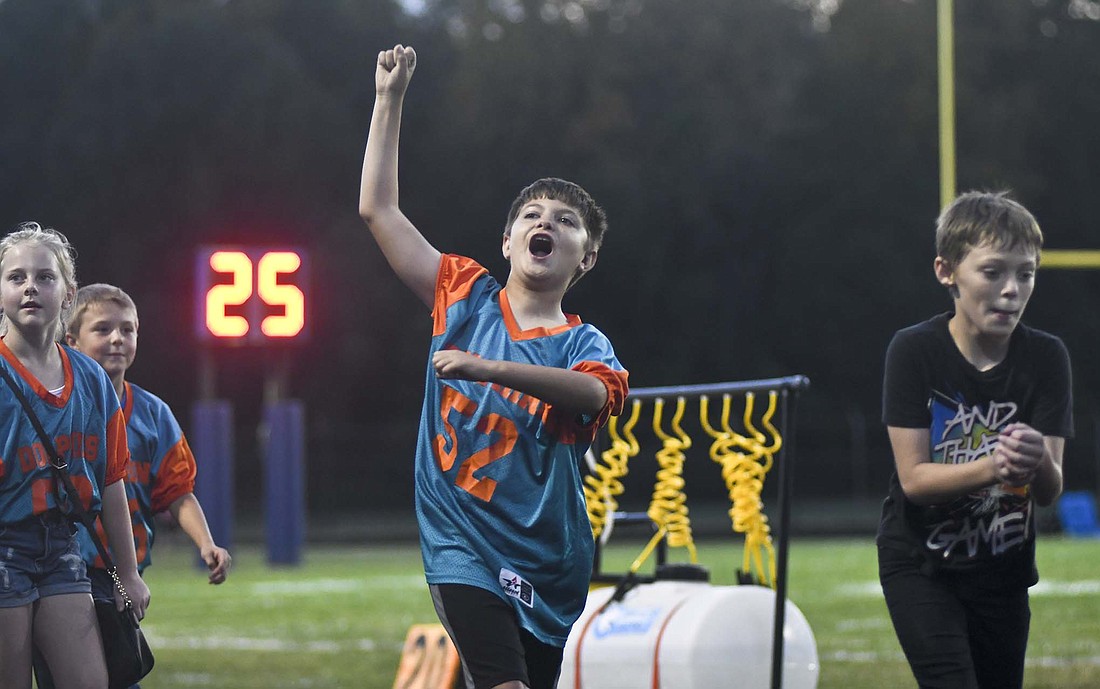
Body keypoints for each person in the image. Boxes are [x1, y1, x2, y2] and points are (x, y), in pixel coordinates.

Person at [359, 44, 629, 689]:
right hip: (460, 540)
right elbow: (379, 211)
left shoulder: (583, 342)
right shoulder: (463, 294)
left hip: (549, 556)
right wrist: (388, 101)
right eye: (532, 216)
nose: (547, 223)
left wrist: (488, 370)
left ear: (583, 259)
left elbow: (593, 395)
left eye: (565, 222)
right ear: (507, 240)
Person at [877, 191, 1074, 689]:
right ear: (946, 272)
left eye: (1025, 273)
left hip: (1002, 570)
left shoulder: (1047, 357)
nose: (1012, 289)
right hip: (923, 564)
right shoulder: (915, 350)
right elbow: (915, 480)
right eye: (992, 272)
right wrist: (994, 466)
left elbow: (1050, 491)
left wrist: (1037, 463)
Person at [32, 283, 234, 688]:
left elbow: (177, 490)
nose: (116, 339)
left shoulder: (153, 413)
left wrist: (206, 542)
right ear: (70, 339)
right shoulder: (52, 407)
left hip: (119, 573)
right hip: (57, 567)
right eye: (103, 329)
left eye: (127, 329)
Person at [0, 222, 150, 689]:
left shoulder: (91, 379)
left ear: (67, 294)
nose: (30, 286)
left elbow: (111, 480)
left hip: (63, 547)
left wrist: (127, 572)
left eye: (45, 277)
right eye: (16, 277)